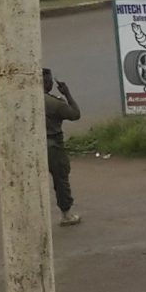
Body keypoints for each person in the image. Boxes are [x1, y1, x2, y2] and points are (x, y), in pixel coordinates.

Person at [43, 69, 80, 226]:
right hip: (53, 145)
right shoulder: (55, 103)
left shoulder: (27, 99)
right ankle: (66, 214)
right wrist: (67, 94)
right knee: (61, 179)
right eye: (50, 80)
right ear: (47, 83)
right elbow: (75, 114)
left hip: (35, 145)